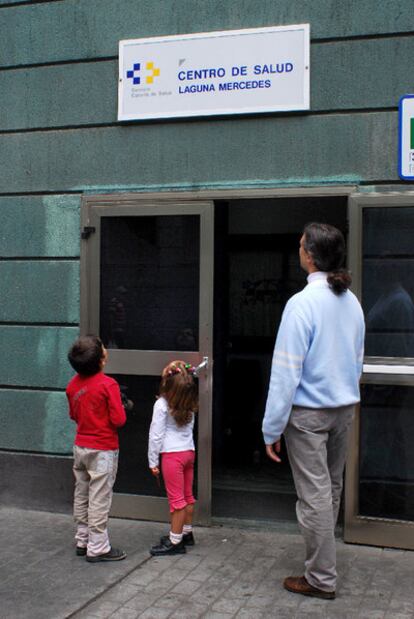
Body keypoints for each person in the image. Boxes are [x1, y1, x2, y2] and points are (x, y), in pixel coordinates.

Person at [262, 223, 365, 600]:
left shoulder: (301, 304)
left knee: (315, 496)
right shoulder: (351, 301)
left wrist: (271, 427)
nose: (299, 249)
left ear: (310, 256)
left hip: (307, 415)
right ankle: (322, 563)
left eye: (301, 245)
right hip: (343, 408)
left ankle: (321, 577)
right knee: (330, 489)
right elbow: (356, 362)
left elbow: (285, 372)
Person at [66, 335, 127, 562]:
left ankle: (82, 539)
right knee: (99, 497)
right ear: (102, 359)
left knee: (81, 493)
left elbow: (73, 415)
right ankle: (98, 546)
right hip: (103, 449)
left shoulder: (72, 385)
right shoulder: (108, 384)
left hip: (80, 446)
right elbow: (119, 419)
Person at [148, 360, 198, 556]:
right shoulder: (189, 403)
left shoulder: (161, 405)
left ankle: (175, 541)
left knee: (176, 502)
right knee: (188, 496)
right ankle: (187, 533)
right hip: (188, 453)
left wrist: (152, 461)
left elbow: (156, 436)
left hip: (171, 456)